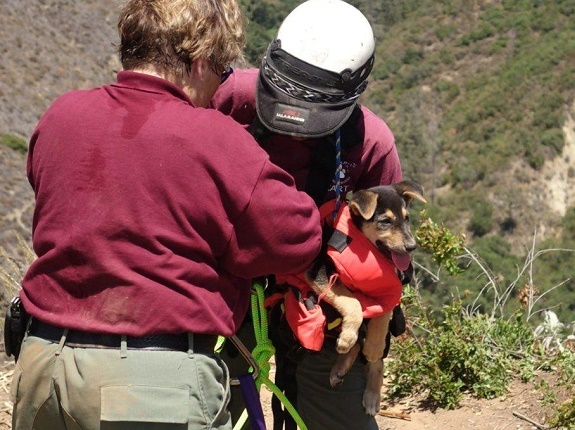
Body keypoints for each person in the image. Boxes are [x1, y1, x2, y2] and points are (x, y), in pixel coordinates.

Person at [10, 0, 323, 429]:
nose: (219, 86)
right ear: (198, 63)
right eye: (222, 70)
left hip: (44, 366)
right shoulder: (213, 137)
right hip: (149, 385)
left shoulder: (61, 116)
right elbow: (295, 239)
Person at [210, 1, 405, 429]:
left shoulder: (369, 144)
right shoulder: (231, 100)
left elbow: (390, 252)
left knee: (338, 415)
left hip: (329, 297)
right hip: (232, 286)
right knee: (204, 406)